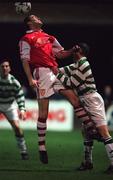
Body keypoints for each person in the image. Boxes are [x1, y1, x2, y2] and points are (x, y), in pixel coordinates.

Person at [18, 14, 101, 164]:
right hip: (41, 73)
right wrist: (30, 78)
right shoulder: (26, 39)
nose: (38, 18)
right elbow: (25, 60)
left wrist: (71, 50)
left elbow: (60, 54)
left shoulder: (49, 37)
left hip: (55, 71)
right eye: (34, 17)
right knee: (43, 113)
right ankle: (42, 146)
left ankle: (93, 130)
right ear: (30, 23)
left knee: (74, 99)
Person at [55, 42, 113, 174]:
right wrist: (50, 65)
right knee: (86, 132)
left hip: (91, 98)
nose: (73, 50)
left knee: (104, 133)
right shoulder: (77, 64)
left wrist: (56, 73)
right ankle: (88, 163)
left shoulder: (83, 64)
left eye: (76, 48)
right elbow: (60, 70)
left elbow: (71, 83)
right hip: (85, 98)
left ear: (80, 51)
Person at [0, 59, 29, 160]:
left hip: (9, 106)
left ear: (10, 68)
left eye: (7, 66)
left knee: (17, 127)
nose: (5, 68)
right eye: (3, 66)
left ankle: (23, 150)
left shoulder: (14, 82)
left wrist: (22, 109)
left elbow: (20, 96)